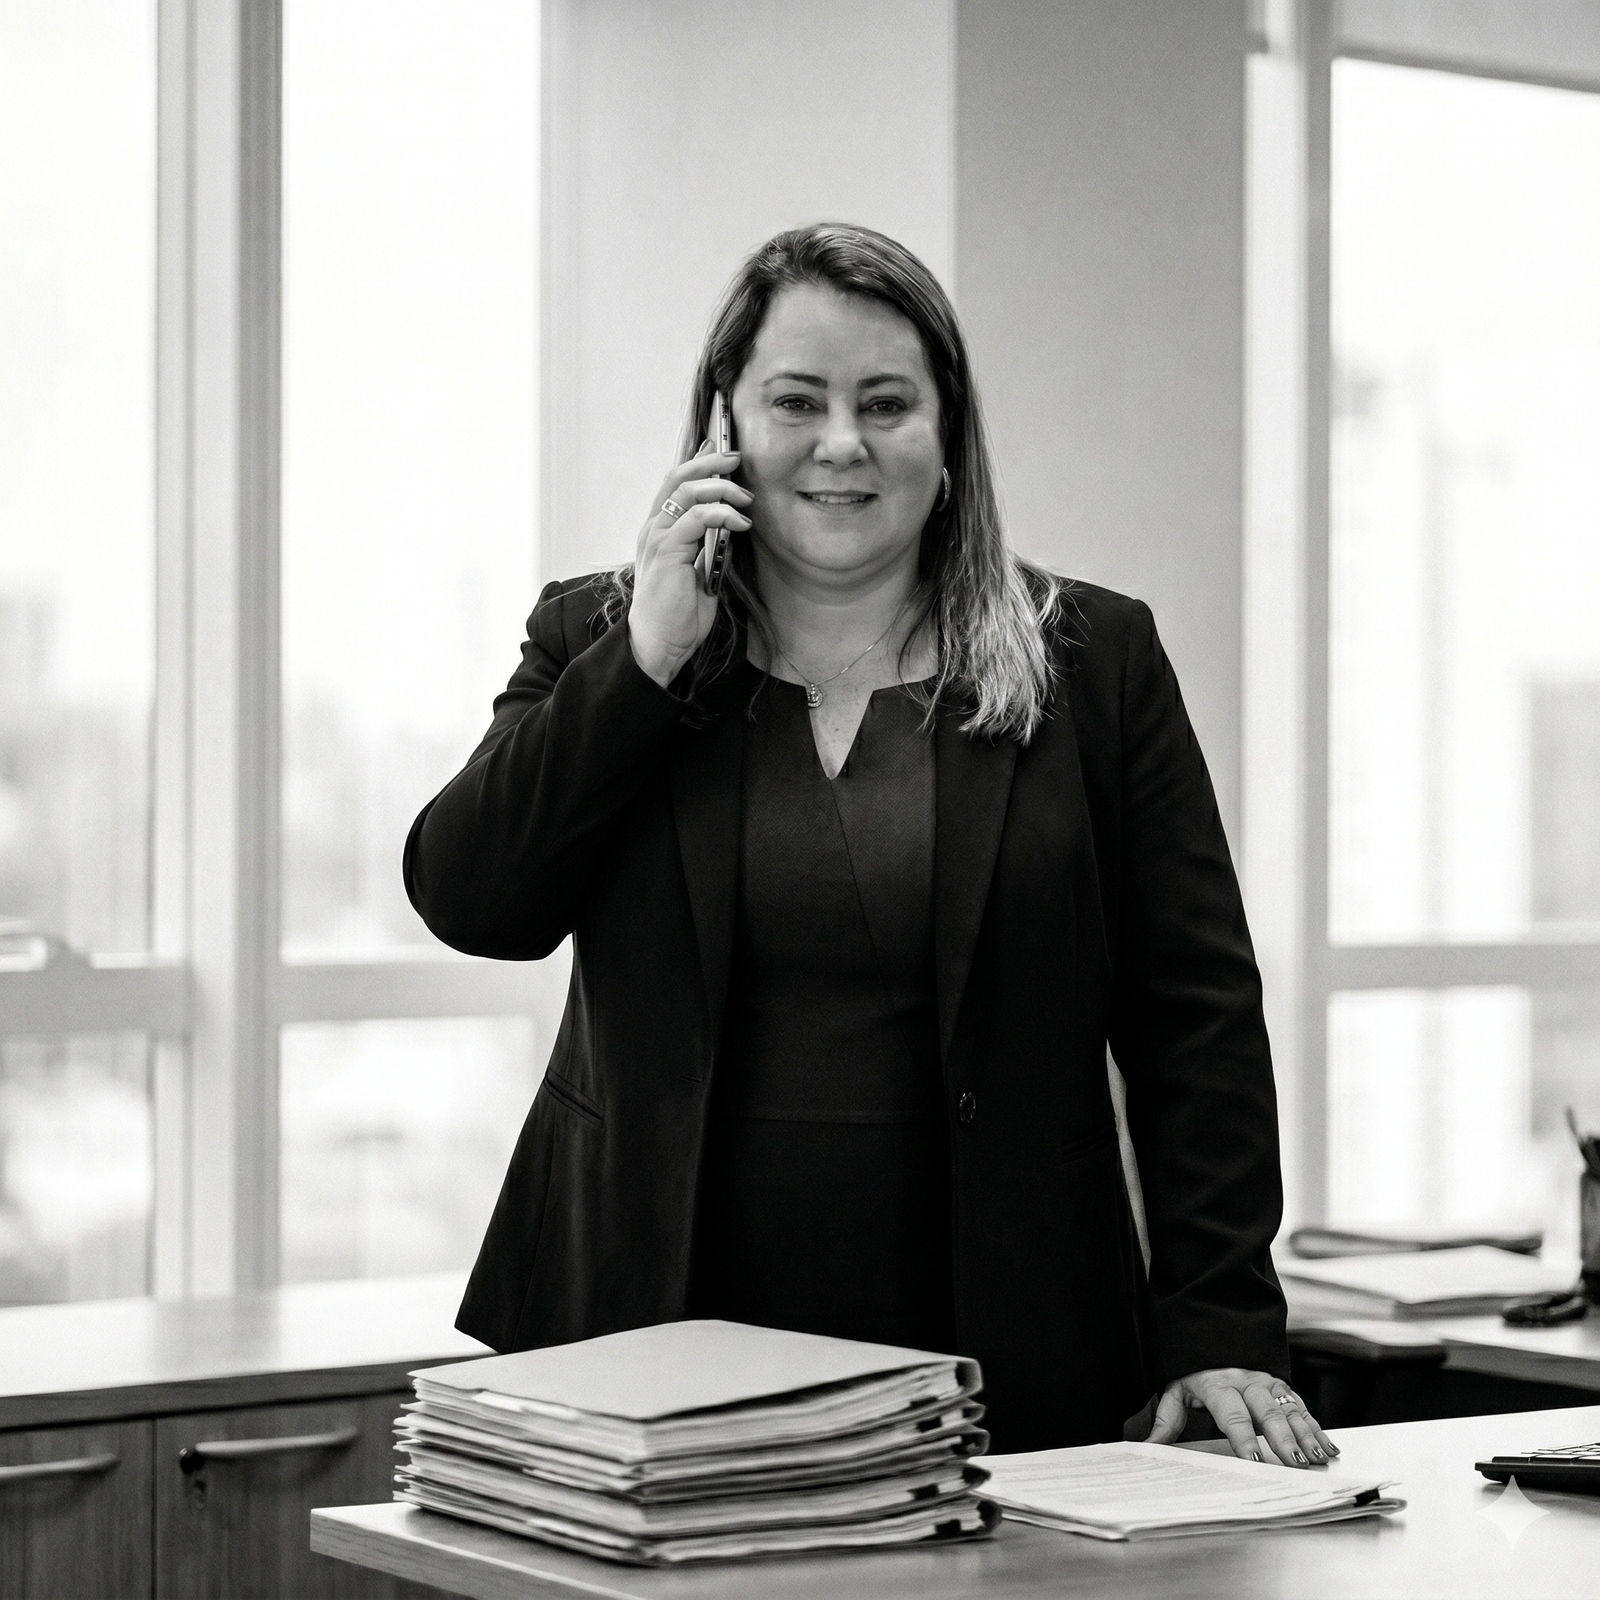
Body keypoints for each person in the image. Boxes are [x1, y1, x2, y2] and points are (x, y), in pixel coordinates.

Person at [405, 222, 1331, 1466]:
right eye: (798, 401)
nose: (842, 442)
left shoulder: (1094, 665)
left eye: (885, 403)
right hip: (646, 1335)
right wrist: (644, 665)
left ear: (946, 437)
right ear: (721, 426)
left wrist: (1218, 1317)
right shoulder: (600, 636)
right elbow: (474, 899)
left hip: (1002, 1349)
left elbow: (1195, 1016)